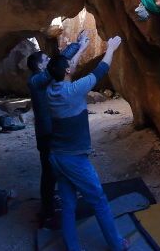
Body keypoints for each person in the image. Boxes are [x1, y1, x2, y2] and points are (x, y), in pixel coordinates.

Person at [47, 34, 129, 251]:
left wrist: (81, 48)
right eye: (69, 65)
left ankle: (73, 248)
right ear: (66, 71)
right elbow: (101, 70)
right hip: (73, 158)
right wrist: (110, 48)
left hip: (56, 155)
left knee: (68, 205)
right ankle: (117, 244)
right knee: (99, 200)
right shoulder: (73, 91)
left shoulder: (51, 90)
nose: (72, 65)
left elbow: (67, 65)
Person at [26, 32, 90, 228]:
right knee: (49, 173)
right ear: (39, 65)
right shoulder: (36, 81)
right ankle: (47, 210)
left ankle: (56, 203)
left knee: (56, 170)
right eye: (45, 60)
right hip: (47, 135)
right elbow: (58, 64)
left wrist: (78, 44)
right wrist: (78, 46)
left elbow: (60, 63)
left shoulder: (45, 80)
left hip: (52, 132)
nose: (49, 61)